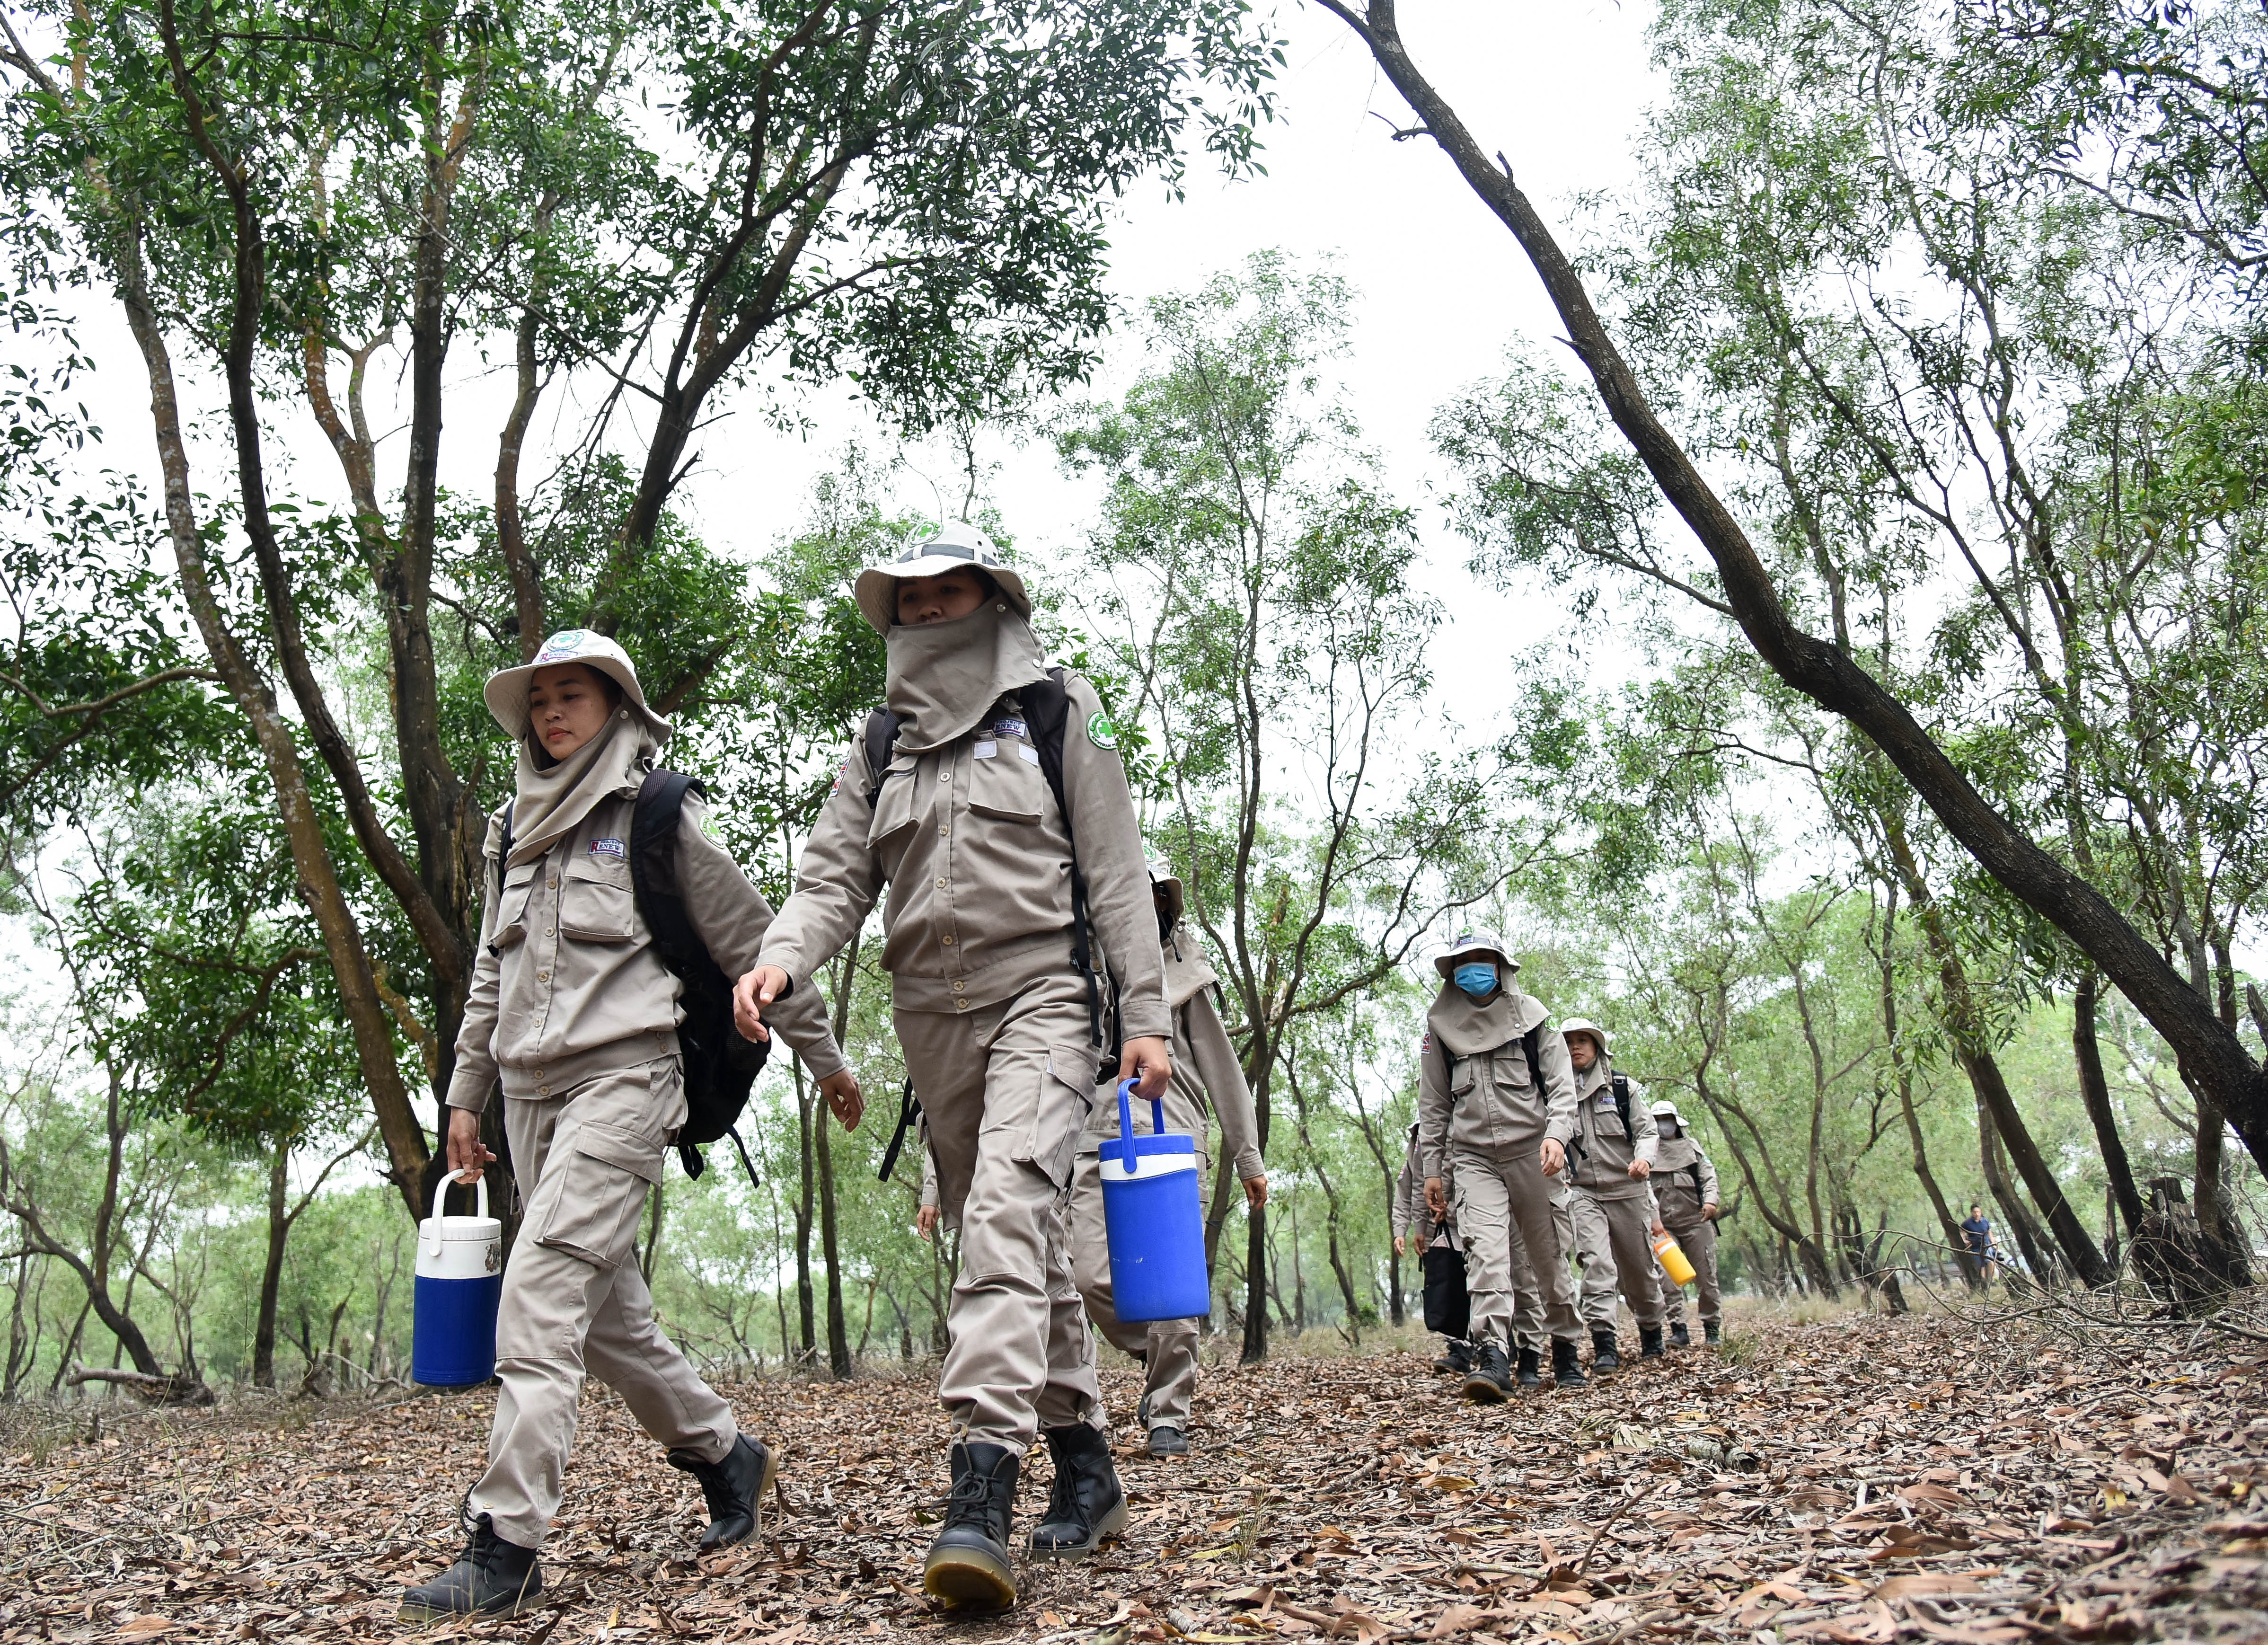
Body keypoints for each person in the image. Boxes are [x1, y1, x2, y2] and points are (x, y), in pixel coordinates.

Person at [734, 524, 1170, 1612]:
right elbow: (834, 870)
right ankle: (1086, 1467)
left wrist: (1146, 1011)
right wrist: (782, 955)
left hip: (1046, 993)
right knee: (1014, 1240)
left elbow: (1116, 870)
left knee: (1010, 1216)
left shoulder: (1061, 708)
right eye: (910, 598)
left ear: (990, 598)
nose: (927, 611)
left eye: (948, 591)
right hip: (930, 1015)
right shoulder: (881, 739)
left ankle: (980, 1491)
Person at [401, 631, 861, 1624]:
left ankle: (505, 1541)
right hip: (527, 1092)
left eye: (573, 695)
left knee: (541, 1288)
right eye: (539, 700)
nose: (551, 712)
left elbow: (751, 937)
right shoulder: (509, 831)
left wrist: (822, 1056)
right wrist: (464, 1092)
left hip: (626, 1076)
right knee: (609, 1321)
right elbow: (492, 969)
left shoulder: (656, 817)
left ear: (616, 707)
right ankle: (725, 1454)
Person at [1068, 863, 1266, 1457]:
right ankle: (1157, 1358)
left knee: (1172, 1286)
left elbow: (1223, 1070)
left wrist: (1248, 1154)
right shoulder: (1073, 974)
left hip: (1172, 1135)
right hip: (1090, 1137)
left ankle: (1168, 1412)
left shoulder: (1185, 978)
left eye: (1149, 896)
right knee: (1085, 1274)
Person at [1417, 930, 1587, 1400]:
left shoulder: (1533, 1021)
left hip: (1534, 1153)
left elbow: (1561, 1088)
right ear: (1452, 973)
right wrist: (1433, 1169)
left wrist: (1556, 1134)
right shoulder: (1439, 1031)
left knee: (1547, 1256)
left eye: (1482, 959)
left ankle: (1566, 1346)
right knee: (1486, 1255)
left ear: (1500, 966)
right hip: (1473, 1157)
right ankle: (1493, 1354)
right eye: (1463, 961)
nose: (1473, 968)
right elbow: (1433, 1106)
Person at [1558, 1021, 1666, 1368]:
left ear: (1597, 1046)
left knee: (1639, 1271)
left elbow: (1647, 1131)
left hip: (1628, 1190)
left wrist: (1643, 1159)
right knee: (1597, 1264)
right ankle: (1604, 1343)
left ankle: (1652, 1332)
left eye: (1582, 1041)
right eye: (1569, 1042)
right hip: (1581, 1192)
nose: (1576, 1047)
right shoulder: (1553, 1091)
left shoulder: (1622, 1087)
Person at [1393, 1122, 1470, 1376]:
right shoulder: (1416, 1142)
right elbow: (1409, 1188)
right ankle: (1459, 1349)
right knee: (1448, 1285)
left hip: (1473, 1217)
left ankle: (1498, 1343)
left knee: (1482, 1280)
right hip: (1437, 1228)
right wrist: (1402, 1230)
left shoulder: (1463, 1122)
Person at [1646, 1098, 1721, 1347]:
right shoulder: (1645, 1152)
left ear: (1676, 1122)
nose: (1663, 1126)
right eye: (1658, 1121)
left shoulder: (1692, 1148)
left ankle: (1712, 1329)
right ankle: (1678, 1329)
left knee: (1706, 1278)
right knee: (1668, 1279)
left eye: (1666, 1120)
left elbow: (1708, 1176)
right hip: (1662, 1227)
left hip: (1696, 1222)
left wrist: (1711, 1202)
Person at [1960, 1203, 1996, 1282]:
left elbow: (1990, 1232)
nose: (1977, 1214)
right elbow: (1961, 1232)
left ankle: (1991, 1280)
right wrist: (1964, 1240)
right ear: (1972, 1213)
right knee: (1981, 1266)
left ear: (1981, 1212)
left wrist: (1993, 1243)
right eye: (1975, 1212)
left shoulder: (1985, 1221)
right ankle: (1984, 1282)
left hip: (1987, 1245)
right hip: (1975, 1247)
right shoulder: (1967, 1223)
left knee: (1990, 1262)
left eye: (1978, 1212)